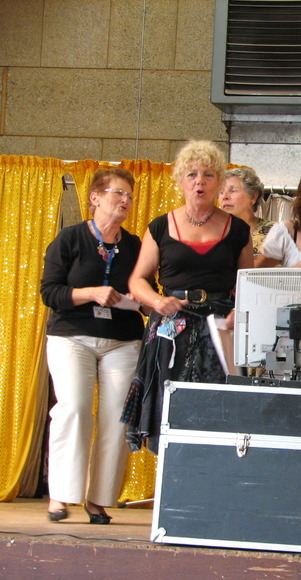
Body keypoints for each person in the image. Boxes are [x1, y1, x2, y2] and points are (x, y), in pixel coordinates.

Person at [123, 140, 253, 452]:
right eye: (192, 174)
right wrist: (157, 301)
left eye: (208, 175)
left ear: (219, 183)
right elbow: (137, 281)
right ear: (180, 180)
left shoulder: (238, 230)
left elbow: (248, 284)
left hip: (219, 331)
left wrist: (240, 311)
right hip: (171, 326)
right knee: (168, 410)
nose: (199, 182)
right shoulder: (159, 227)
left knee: (219, 411)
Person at [40, 168, 144, 524]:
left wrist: (143, 300)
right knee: (75, 408)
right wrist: (91, 293)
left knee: (117, 417)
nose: (125, 200)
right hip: (72, 336)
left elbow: (147, 287)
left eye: (129, 195)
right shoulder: (69, 239)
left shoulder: (134, 246)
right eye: (118, 193)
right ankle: (61, 495)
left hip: (122, 340)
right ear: (95, 198)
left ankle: (99, 499)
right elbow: (50, 292)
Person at [219, 167, 274, 268]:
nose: (224, 197)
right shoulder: (212, 231)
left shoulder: (274, 231)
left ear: (253, 196)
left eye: (233, 191)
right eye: (221, 192)